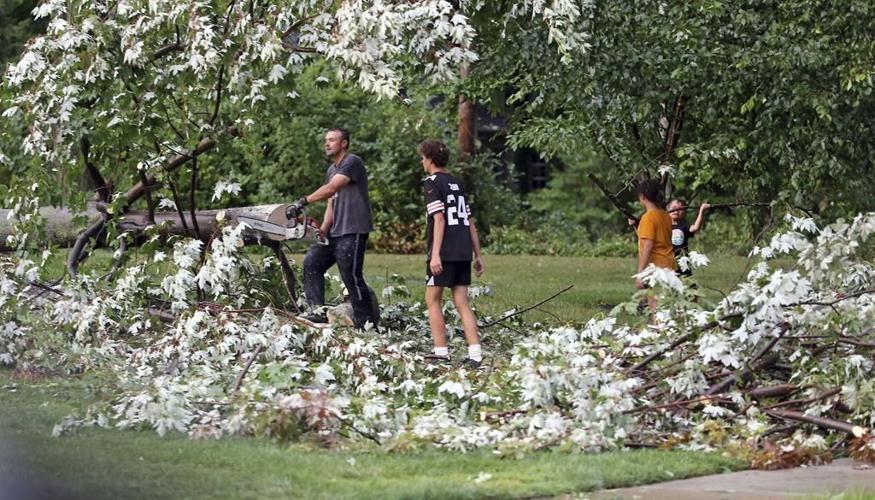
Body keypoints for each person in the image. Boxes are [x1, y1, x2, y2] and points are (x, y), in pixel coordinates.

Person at [286, 128, 378, 329]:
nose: (327, 144)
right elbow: (331, 202)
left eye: (332, 140)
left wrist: (303, 201)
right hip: (335, 232)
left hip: (353, 230)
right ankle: (317, 312)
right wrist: (324, 229)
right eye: (326, 140)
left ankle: (367, 325)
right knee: (312, 262)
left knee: (351, 276)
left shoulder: (352, 162)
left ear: (344, 143)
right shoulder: (331, 169)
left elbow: (332, 188)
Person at [417, 139, 485, 368]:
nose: (422, 162)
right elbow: (470, 221)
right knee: (462, 302)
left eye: (423, 158)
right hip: (463, 250)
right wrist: (478, 255)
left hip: (445, 251)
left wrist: (435, 254)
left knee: (432, 299)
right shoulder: (457, 182)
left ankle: (441, 353)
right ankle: (475, 354)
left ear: (430, 159)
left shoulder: (431, 183)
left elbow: (439, 219)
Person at [634, 179, 675, 291]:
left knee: (654, 300)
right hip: (669, 264)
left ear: (642, 197)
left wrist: (640, 274)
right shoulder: (665, 215)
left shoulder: (648, 218)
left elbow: (648, 245)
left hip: (656, 269)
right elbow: (653, 237)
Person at [666, 199, 710, 276]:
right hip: (667, 262)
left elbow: (695, 228)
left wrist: (701, 211)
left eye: (680, 209)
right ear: (668, 210)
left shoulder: (684, 226)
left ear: (684, 213)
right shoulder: (663, 226)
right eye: (673, 208)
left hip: (682, 261)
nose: (676, 211)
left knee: (686, 280)